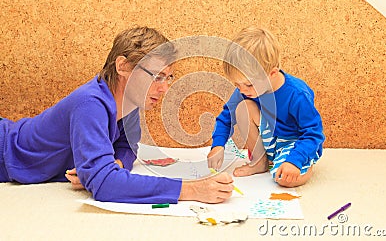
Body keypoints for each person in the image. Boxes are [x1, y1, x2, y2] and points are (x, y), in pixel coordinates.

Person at [0, 26, 234, 204]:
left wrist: (115, 164)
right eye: (155, 76)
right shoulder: (90, 104)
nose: (163, 88)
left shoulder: (130, 102)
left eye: (168, 77)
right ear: (122, 67)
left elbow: (127, 146)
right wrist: (191, 189)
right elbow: (104, 185)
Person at [207, 26, 325, 187]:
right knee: (242, 107)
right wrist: (218, 145)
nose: (242, 90)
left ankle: (303, 163)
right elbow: (226, 117)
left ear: (272, 74)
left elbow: (313, 133)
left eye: (248, 84)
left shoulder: (297, 94)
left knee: (285, 180)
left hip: (294, 143)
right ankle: (260, 162)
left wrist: (295, 161)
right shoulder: (245, 91)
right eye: (237, 84)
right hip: (268, 142)